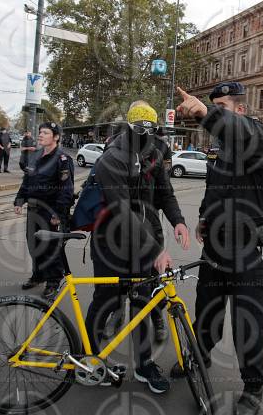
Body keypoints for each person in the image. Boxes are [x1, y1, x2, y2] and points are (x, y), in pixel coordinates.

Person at [174, 82, 263, 415]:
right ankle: (201, 355)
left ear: (240, 110)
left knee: (248, 321)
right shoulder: (219, 148)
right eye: (212, 106)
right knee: (207, 309)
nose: (215, 112)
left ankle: (254, 384)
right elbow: (213, 187)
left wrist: (204, 111)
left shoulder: (258, 137)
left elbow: (240, 131)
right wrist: (203, 217)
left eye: (222, 107)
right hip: (215, 246)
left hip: (248, 250)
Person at [86, 102, 189, 394]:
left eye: (152, 129)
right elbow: (120, 212)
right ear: (130, 127)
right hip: (111, 244)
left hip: (144, 242)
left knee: (144, 304)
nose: (148, 135)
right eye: (143, 129)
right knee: (105, 300)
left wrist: (178, 221)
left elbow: (166, 193)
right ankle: (89, 358)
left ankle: (144, 366)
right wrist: (156, 250)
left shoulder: (153, 153)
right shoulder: (112, 158)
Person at [14, 122, 74, 298]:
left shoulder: (63, 159)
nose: (40, 135)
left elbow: (66, 190)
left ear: (55, 137)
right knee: (34, 246)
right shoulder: (35, 156)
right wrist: (19, 200)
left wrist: (58, 213)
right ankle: (38, 275)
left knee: (50, 249)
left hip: (50, 212)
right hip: (33, 210)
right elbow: (26, 182)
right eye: (40, 132)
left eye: (45, 133)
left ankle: (53, 281)